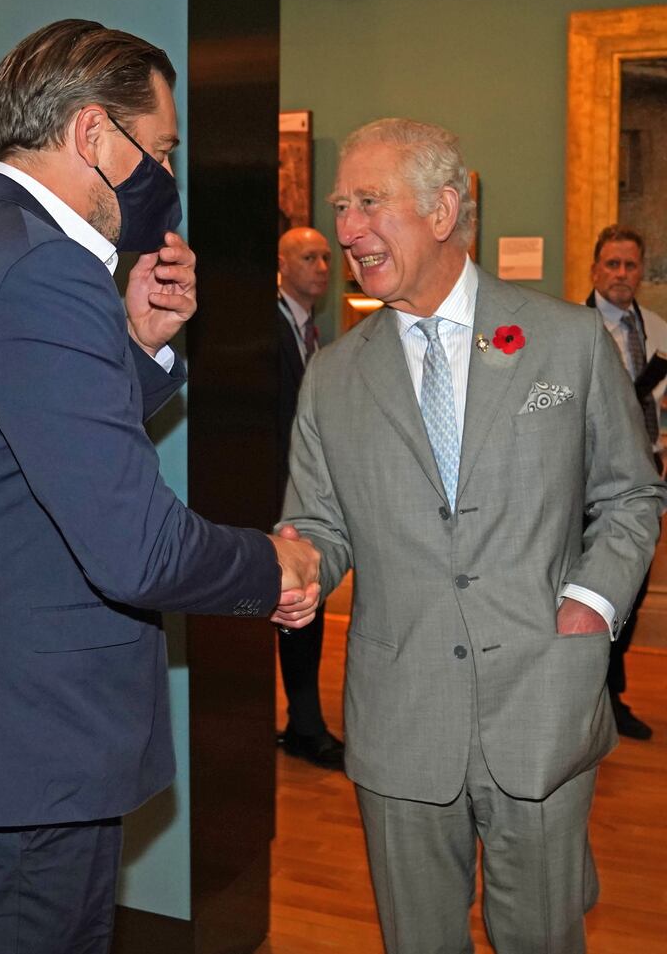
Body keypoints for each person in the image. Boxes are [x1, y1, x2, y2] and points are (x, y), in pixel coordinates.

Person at [0, 19, 319, 954]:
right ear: (91, 135)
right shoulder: (45, 269)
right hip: (29, 745)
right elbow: (137, 546)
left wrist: (143, 341)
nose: (167, 176)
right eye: (158, 150)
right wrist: (271, 565)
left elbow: (24, 450)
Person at [279, 117, 665, 954]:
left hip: (544, 708)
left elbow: (632, 494)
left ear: (445, 208)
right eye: (343, 206)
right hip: (399, 719)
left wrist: (592, 604)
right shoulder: (334, 375)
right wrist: (300, 565)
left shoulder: (566, 342)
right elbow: (318, 521)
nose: (348, 228)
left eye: (370, 202)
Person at [586, 223, 667, 740]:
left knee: (631, 592)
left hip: (647, 481)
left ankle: (612, 696)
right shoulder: (574, 326)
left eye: (630, 265)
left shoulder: (657, 328)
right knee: (591, 590)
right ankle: (586, 696)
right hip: (589, 485)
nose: (621, 274)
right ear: (595, 269)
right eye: (612, 264)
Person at [276, 227, 344, 769]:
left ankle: (304, 721)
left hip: (300, 496)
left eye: (326, 256)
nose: (322, 266)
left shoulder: (312, 331)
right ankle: (303, 724)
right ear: (281, 263)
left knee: (306, 603)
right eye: (308, 256)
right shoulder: (268, 327)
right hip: (273, 496)